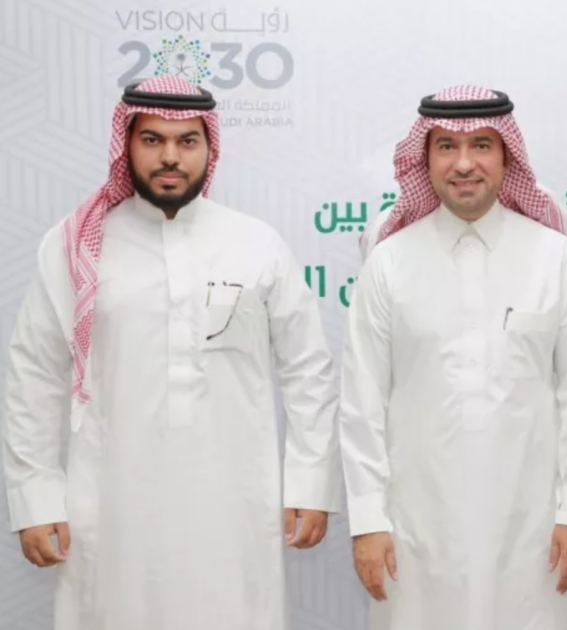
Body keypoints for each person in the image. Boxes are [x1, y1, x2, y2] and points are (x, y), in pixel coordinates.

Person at [2, 76, 341, 630]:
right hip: (112, 508)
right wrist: (35, 497)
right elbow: (34, 375)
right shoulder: (75, 246)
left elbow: (308, 371)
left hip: (235, 505)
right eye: (152, 139)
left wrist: (309, 485)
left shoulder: (257, 244)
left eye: (187, 141)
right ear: (126, 144)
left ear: (210, 147)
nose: (170, 157)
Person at [339, 85, 567, 630]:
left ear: (507, 156)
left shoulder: (554, 258)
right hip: (415, 529)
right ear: (426, 158)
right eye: (447, 146)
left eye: (482, 145)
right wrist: (367, 521)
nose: (464, 164)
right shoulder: (389, 262)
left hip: (532, 527)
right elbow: (361, 402)